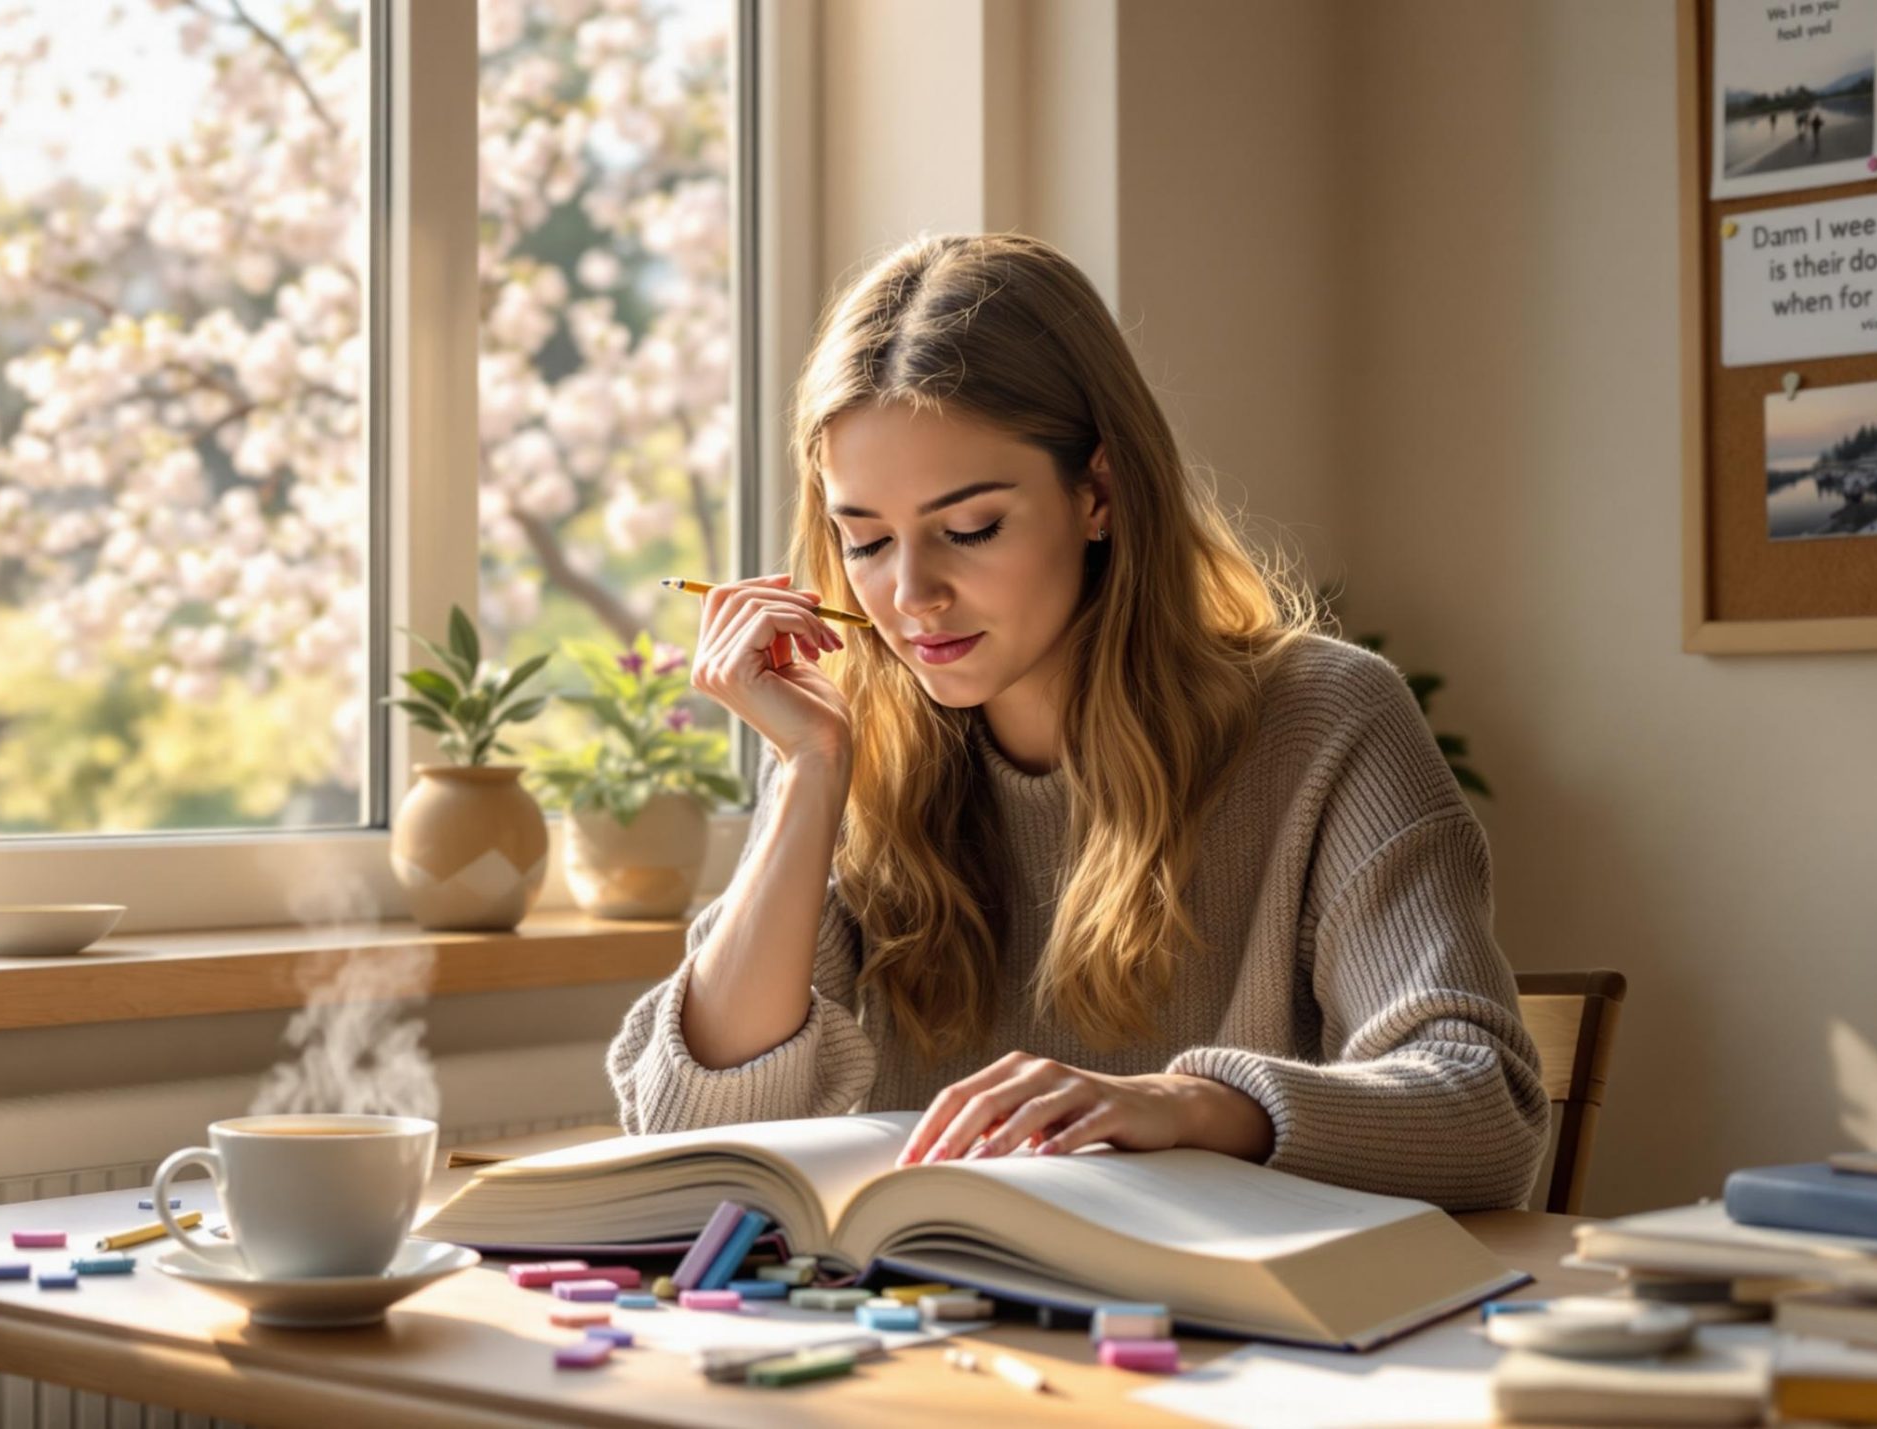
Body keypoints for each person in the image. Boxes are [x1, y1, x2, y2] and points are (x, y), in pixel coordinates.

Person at [605, 234, 1549, 1212]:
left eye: (969, 529)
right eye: (866, 541)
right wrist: (806, 770)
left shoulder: (1324, 721)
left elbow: (1486, 1114)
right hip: (933, 1340)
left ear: (1096, 493)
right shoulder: (854, 744)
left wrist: (1185, 1105)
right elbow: (688, 1137)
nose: (911, 595)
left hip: (1221, 1344)